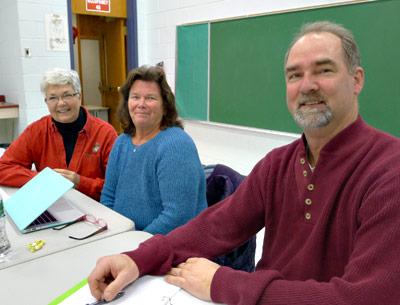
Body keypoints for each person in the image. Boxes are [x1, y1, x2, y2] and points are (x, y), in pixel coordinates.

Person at [88, 21, 400, 305]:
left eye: (324, 70)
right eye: (294, 75)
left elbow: (368, 296)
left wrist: (223, 283)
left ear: (356, 80)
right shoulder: (278, 164)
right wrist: (139, 260)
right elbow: (216, 226)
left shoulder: (389, 171)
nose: (307, 85)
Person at [100, 65, 207, 235]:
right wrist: (112, 234)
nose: (141, 104)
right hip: (124, 238)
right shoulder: (121, 142)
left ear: (165, 106)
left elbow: (177, 216)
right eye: (135, 97)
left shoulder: (176, 145)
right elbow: (108, 196)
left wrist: (135, 247)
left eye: (150, 98)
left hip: (164, 245)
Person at [0, 68, 117, 200]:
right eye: (53, 98)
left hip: (95, 209)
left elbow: (118, 186)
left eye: (67, 95)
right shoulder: (36, 131)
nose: (61, 103)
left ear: (79, 96)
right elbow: (2, 168)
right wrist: (42, 179)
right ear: (46, 102)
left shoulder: (105, 133)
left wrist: (79, 182)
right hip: (51, 205)